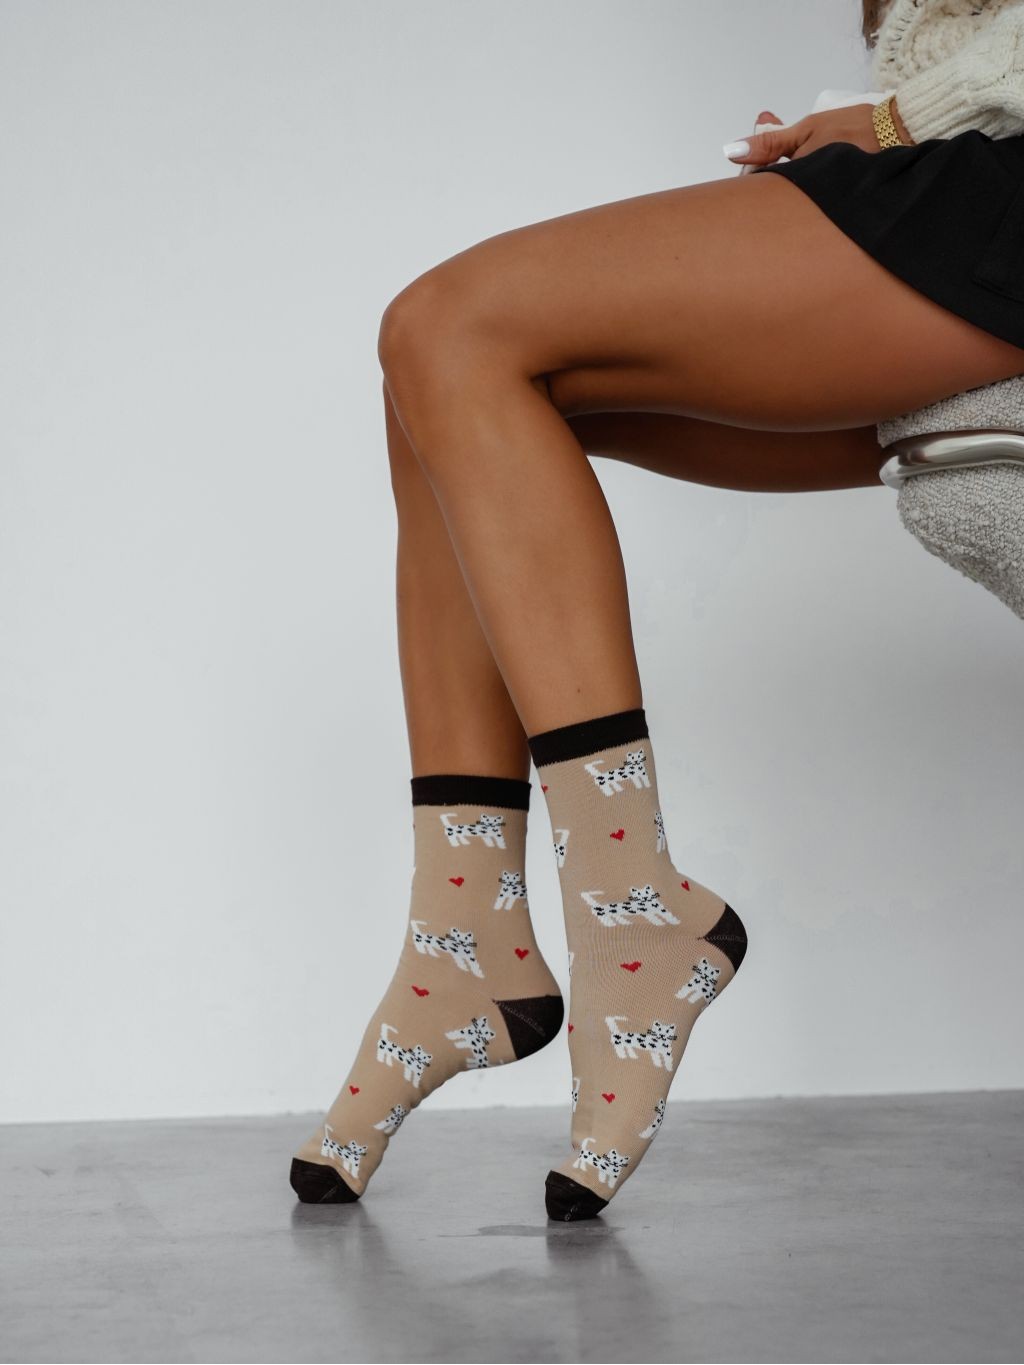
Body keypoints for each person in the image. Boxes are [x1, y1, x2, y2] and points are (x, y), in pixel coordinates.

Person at [290, 0, 1024, 1220]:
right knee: (435, 388)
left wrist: (902, 120)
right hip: (955, 191)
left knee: (448, 325)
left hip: (985, 197)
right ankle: (461, 932)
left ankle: (633, 916)